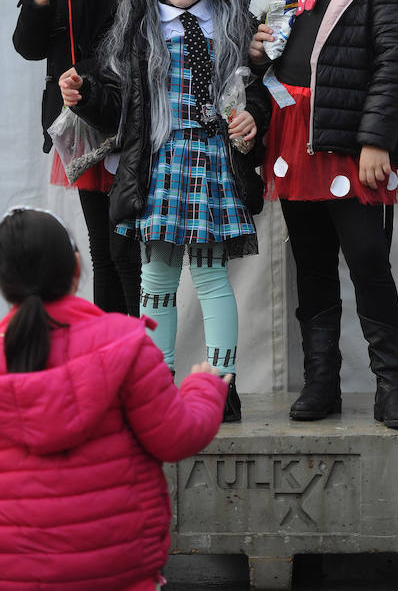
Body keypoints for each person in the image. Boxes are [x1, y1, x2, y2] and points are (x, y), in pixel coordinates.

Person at [59, 0, 270, 422]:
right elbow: (120, 108)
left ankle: (222, 385)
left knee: (213, 278)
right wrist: (86, 96)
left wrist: (251, 118)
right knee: (157, 280)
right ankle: (160, 384)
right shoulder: (138, 26)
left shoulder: (235, 22)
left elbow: (259, 91)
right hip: (162, 166)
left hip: (214, 164)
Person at [251, 0, 398, 429]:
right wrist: (260, 55)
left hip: (352, 142)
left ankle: (393, 386)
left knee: (369, 257)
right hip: (295, 137)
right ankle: (322, 382)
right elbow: (285, 66)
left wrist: (376, 141)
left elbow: (397, 62)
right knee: (312, 262)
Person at [0, 206, 228, 591]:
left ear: (6, 286)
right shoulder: (125, 342)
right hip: (122, 568)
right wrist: (204, 387)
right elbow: (176, 437)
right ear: (76, 269)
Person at [12, 0, 141, 316]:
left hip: (126, 121)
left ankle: (141, 359)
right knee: (102, 250)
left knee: (129, 248)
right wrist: (34, 1)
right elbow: (27, 49)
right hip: (77, 124)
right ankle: (111, 359)